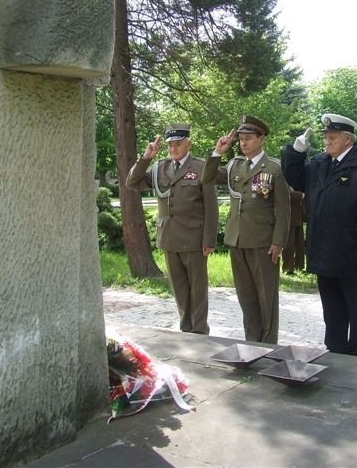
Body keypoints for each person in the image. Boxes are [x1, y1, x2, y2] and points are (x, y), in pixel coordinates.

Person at [282, 114, 357, 357]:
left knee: (356, 306)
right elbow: (296, 178)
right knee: (331, 305)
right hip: (323, 245)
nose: (326, 142)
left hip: (351, 248)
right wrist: (295, 152)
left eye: (332, 138)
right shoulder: (320, 163)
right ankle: (335, 348)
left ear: (347, 139)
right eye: (325, 137)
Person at [201, 115, 290, 344]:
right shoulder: (235, 166)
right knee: (246, 296)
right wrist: (218, 152)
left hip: (263, 242)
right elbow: (207, 177)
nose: (243, 143)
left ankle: (268, 344)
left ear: (261, 139)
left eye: (248, 138)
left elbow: (282, 211)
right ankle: (252, 341)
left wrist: (278, 243)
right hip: (237, 239)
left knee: (266, 297)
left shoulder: (274, 169)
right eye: (241, 139)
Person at [126, 123, 219, 334]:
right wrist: (147, 156)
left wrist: (209, 240)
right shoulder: (160, 167)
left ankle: (199, 331)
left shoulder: (201, 167)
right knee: (179, 289)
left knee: (197, 289)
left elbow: (211, 206)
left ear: (189, 144)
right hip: (169, 237)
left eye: (178, 144)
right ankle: (186, 330)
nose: (173, 149)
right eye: (170, 145)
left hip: (194, 238)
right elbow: (133, 182)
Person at [282, 188, 306, 275]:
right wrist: (301, 195)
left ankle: (299, 266)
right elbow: (285, 195)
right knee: (289, 245)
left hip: (298, 217)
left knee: (300, 245)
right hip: (288, 218)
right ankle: (288, 268)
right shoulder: (283, 180)